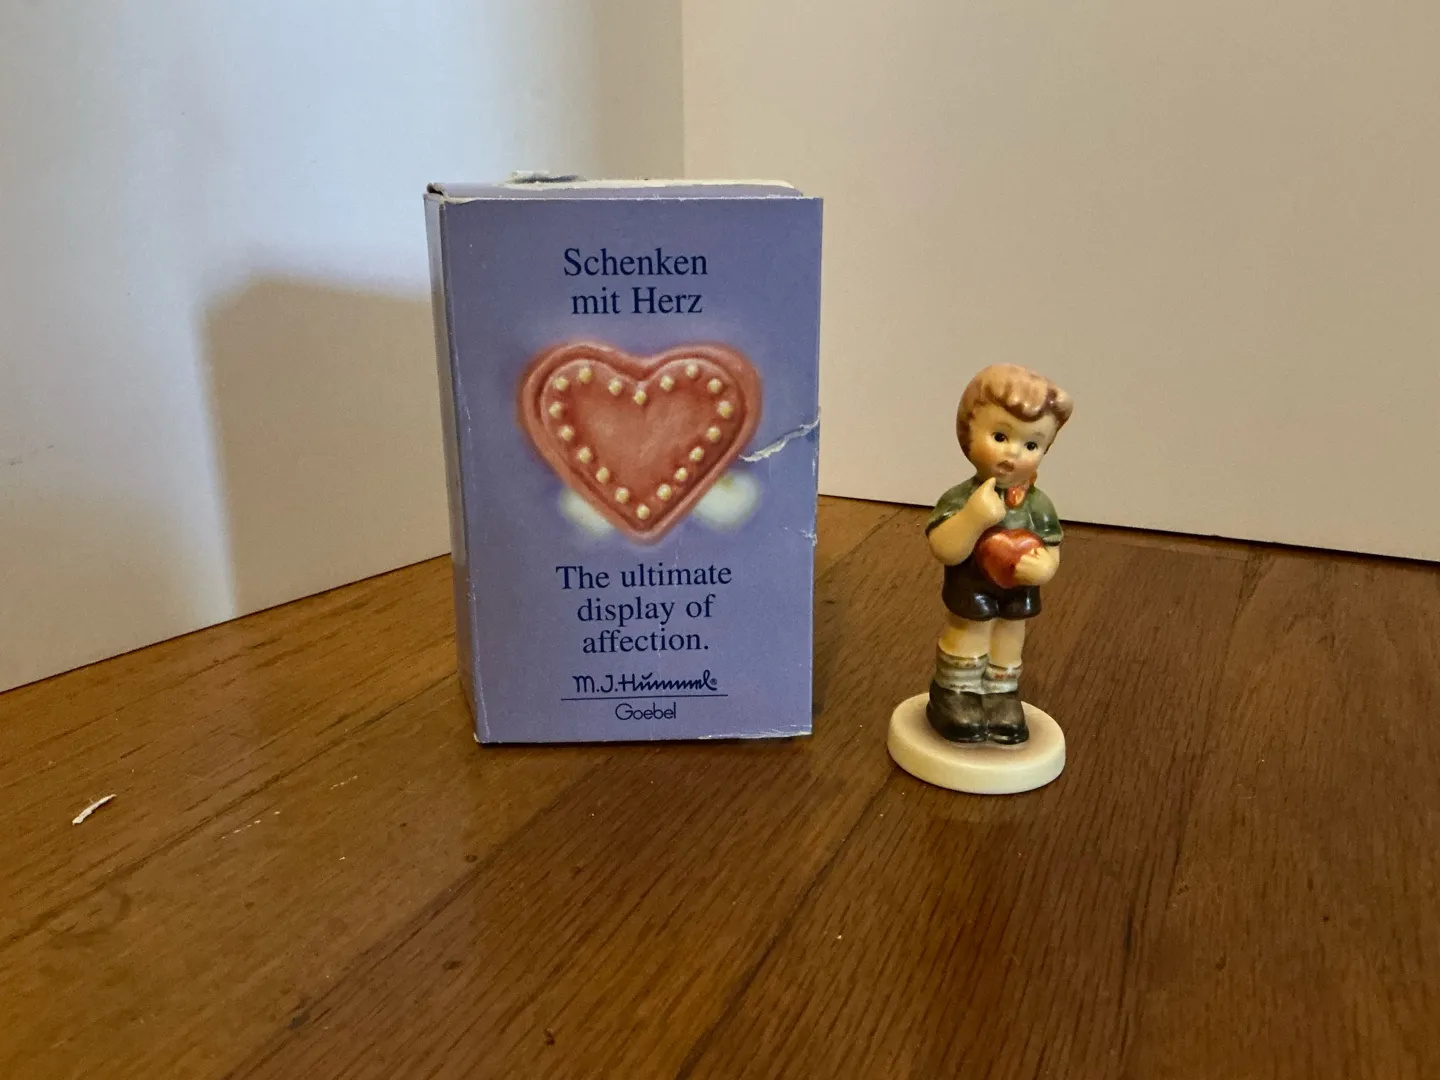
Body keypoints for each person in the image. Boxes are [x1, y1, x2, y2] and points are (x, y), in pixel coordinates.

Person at [925, 364, 1073, 744]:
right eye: (1000, 436)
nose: (1012, 453)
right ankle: (956, 691)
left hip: (1017, 587)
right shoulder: (963, 498)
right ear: (967, 433)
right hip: (972, 586)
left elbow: (1052, 547)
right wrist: (973, 518)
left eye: (1031, 445)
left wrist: (1044, 568)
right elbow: (944, 548)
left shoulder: (1038, 505)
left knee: (1010, 635)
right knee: (970, 631)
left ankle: (1000, 693)